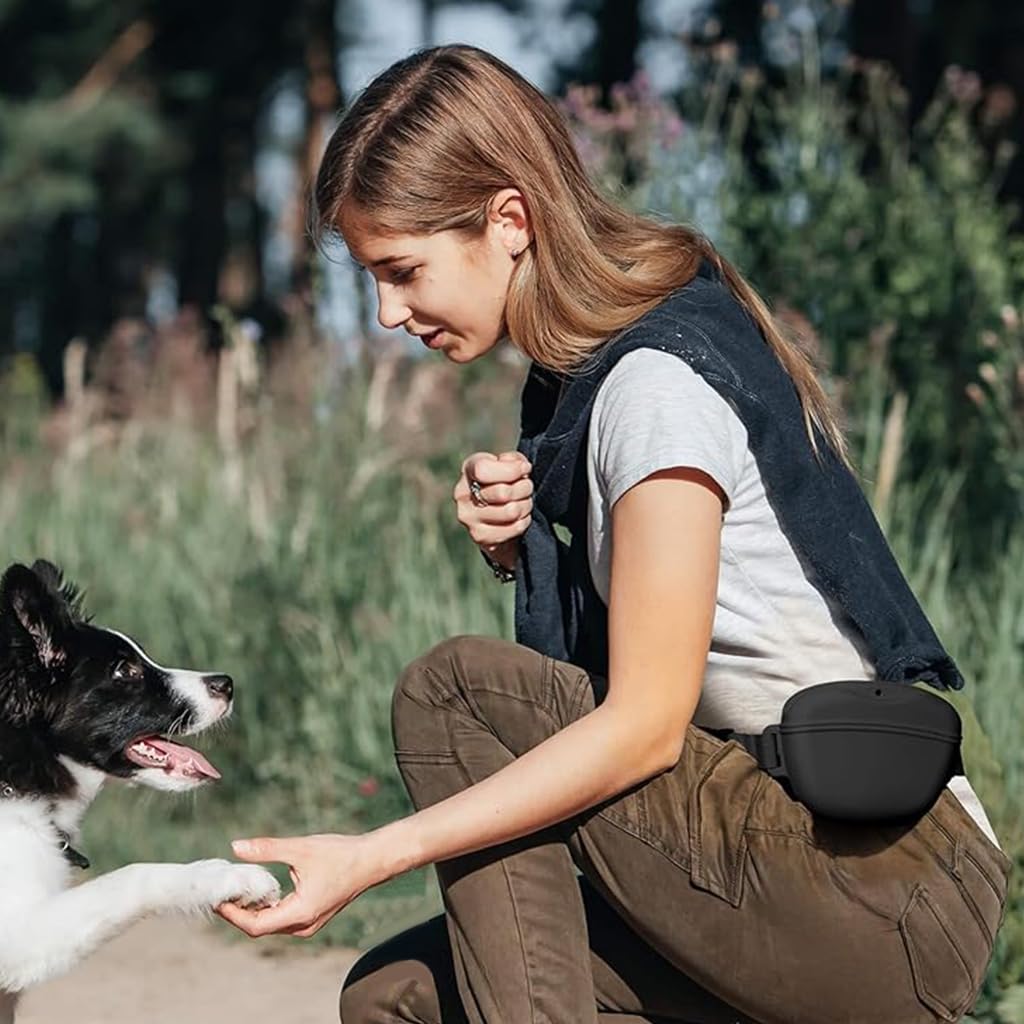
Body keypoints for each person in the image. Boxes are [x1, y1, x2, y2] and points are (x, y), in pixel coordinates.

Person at [216, 43, 1011, 1024]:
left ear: (508, 220)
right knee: (398, 998)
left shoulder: (650, 390)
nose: (386, 313)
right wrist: (523, 552)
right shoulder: (585, 394)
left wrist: (375, 853)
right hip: (779, 863)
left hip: (879, 885)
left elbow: (639, 727)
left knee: (457, 690)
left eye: (402, 269)